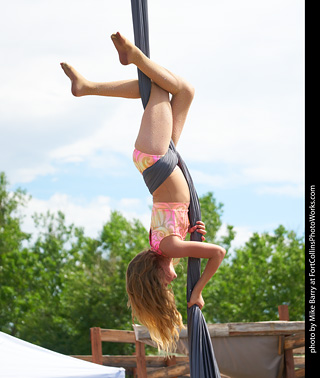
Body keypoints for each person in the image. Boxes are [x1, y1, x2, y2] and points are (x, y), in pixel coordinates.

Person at [60, 32, 226, 354]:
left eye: (164, 284)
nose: (172, 281)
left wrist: (199, 291)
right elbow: (173, 214)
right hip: (163, 160)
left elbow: (218, 253)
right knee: (185, 93)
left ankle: (133, 58)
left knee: (160, 87)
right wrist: (193, 228)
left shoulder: (169, 247)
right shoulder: (163, 244)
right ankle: (87, 88)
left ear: (156, 273)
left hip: (155, 157)